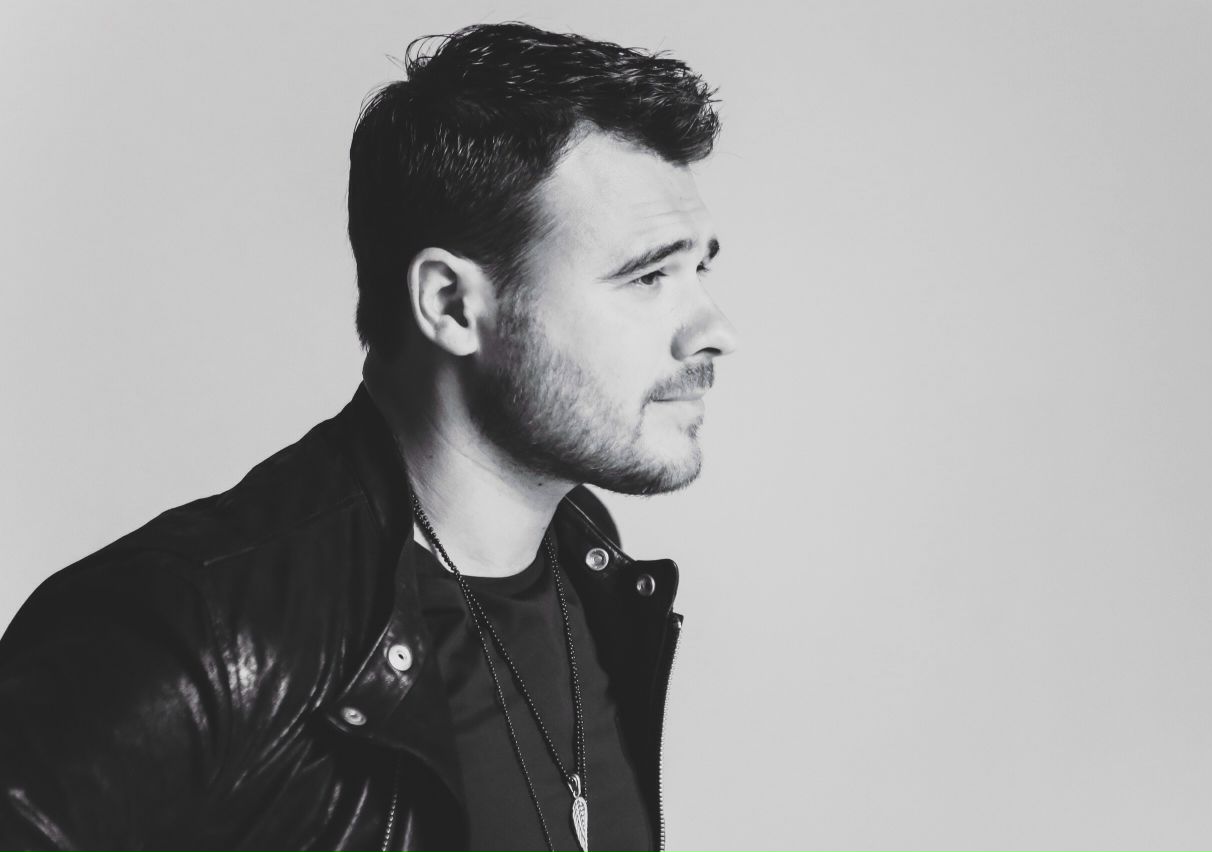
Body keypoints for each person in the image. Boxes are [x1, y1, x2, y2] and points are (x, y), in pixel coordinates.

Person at [0, 21, 736, 852]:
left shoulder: (590, 567)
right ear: (450, 305)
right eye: (648, 276)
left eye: (700, 269)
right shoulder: (188, 632)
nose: (714, 331)